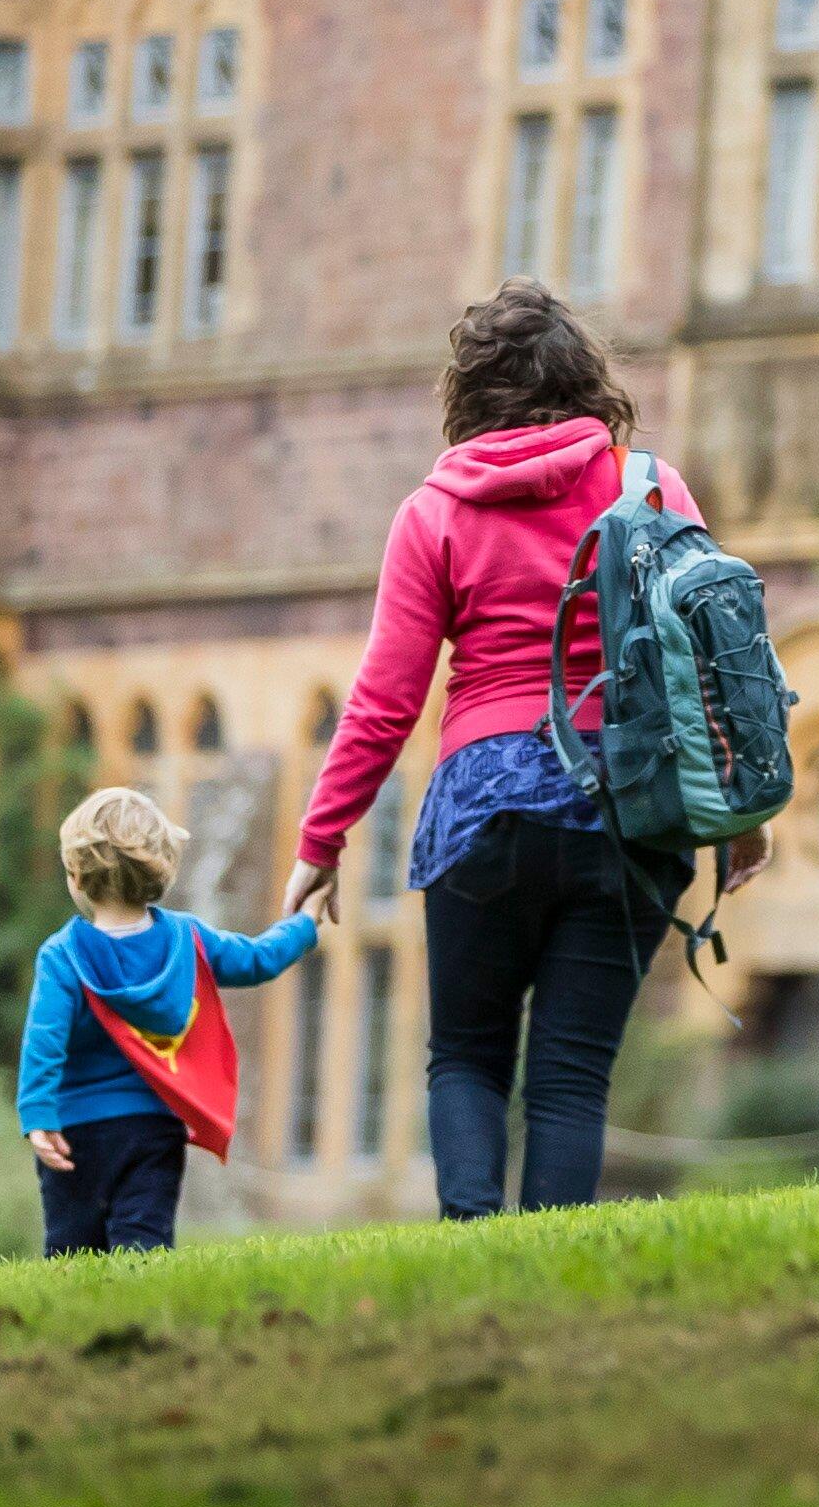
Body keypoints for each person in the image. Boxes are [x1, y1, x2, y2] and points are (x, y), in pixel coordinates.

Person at [285, 283, 708, 1219]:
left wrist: (322, 844)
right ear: (588, 381)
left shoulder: (433, 514)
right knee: (570, 1077)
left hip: (484, 804)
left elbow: (384, 702)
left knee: (468, 1055)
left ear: (467, 395)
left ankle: (470, 1243)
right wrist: (740, 816)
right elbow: (713, 657)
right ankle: (550, 1270)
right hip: (628, 807)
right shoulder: (650, 487)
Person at [19, 786, 318, 1255]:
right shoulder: (188, 940)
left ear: (76, 876)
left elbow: (45, 1041)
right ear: (161, 872)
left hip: (77, 1130)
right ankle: (146, 1319)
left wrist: (38, 1116)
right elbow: (260, 960)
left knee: (71, 1254)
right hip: (153, 1127)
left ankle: (77, 1326)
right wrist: (306, 922)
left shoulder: (62, 956)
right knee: (144, 1244)